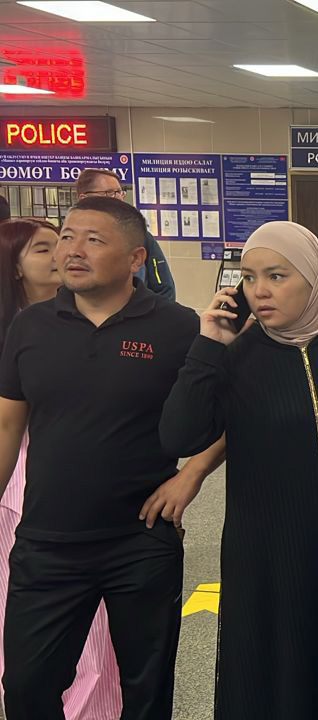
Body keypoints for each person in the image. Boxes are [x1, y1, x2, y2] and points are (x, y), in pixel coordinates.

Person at [158, 220, 318, 719]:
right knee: (281, 668)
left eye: (276, 276)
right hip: (271, 551)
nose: (259, 291)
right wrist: (208, 345)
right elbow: (179, 436)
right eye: (249, 277)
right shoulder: (237, 357)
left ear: (314, 278)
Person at [0, 197, 222, 720]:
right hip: (47, 543)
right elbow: (8, 424)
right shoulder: (31, 327)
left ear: (135, 258)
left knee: (146, 694)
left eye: (93, 240)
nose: (72, 250)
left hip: (139, 540)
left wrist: (191, 475)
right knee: (27, 687)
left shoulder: (177, 327)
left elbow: (231, 410)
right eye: (67, 237)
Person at [0, 219, 124, 720]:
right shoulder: (22, 330)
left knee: (98, 626)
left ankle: (96, 706)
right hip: (25, 481)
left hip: (92, 486)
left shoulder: (95, 318)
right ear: (13, 267)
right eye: (44, 248)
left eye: (66, 242)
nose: (62, 254)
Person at [75, 169, 176, 302]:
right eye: (109, 193)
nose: (118, 199)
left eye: (119, 192)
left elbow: (165, 288)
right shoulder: (69, 243)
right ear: (84, 198)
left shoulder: (140, 237)